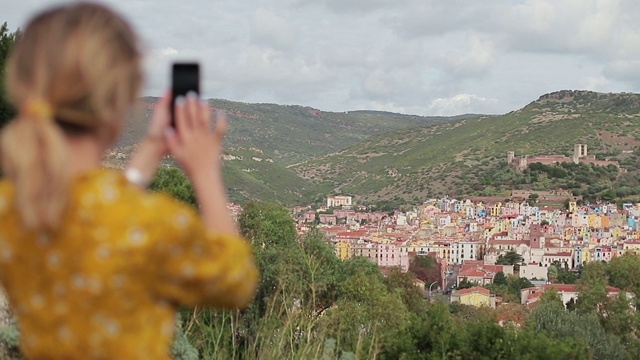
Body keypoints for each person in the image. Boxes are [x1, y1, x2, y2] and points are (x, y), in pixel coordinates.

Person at [0, 3, 258, 359]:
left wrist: (150, 151)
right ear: (120, 104)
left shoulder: (11, 209)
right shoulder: (152, 224)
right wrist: (206, 172)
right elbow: (236, 280)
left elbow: (95, 219)